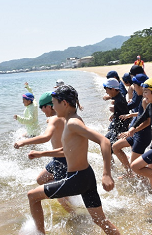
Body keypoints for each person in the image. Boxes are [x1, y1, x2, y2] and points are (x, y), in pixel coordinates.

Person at [26, 85, 120, 235]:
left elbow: (105, 141)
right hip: (86, 176)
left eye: (54, 103)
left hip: (77, 178)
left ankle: (40, 233)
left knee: (32, 196)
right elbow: (67, 150)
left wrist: (107, 173)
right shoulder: (72, 120)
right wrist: (41, 153)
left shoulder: (73, 123)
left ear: (64, 103)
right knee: (100, 221)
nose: (53, 108)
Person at [14, 92, 73, 213]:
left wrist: (24, 142)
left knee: (59, 196)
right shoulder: (63, 116)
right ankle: (67, 190)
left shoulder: (54, 119)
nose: (41, 110)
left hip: (62, 160)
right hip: (58, 159)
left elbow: (46, 137)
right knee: (41, 179)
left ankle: (74, 215)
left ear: (50, 106)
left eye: (42, 107)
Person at [112, 74, 151, 177]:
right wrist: (131, 115)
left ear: (141, 86)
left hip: (142, 135)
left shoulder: (146, 100)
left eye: (135, 85)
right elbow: (143, 114)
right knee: (115, 147)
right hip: (136, 133)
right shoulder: (143, 98)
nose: (133, 88)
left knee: (137, 168)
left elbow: (148, 121)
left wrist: (132, 131)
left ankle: (149, 189)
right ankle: (129, 172)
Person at [103, 78, 131, 147]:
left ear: (112, 89)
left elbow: (126, 115)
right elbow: (121, 112)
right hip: (116, 127)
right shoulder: (117, 96)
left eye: (107, 90)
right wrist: (114, 114)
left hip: (120, 129)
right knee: (104, 141)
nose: (106, 92)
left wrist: (124, 131)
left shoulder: (119, 100)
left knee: (110, 147)